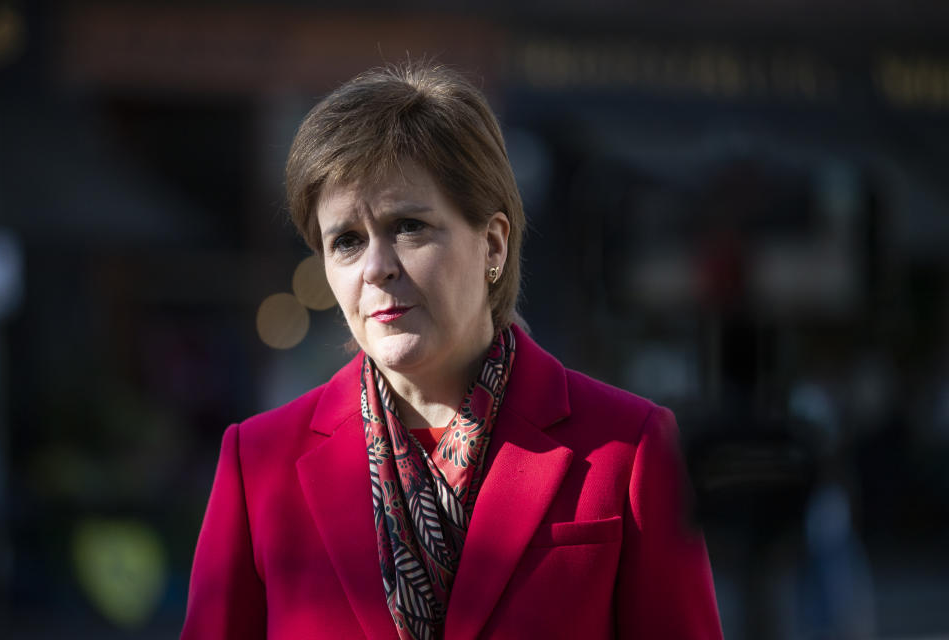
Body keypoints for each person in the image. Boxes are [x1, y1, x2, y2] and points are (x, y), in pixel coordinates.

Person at [181, 61, 724, 640]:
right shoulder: (259, 464)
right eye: (345, 241)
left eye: (409, 227)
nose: (376, 268)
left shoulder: (628, 449)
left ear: (492, 244)